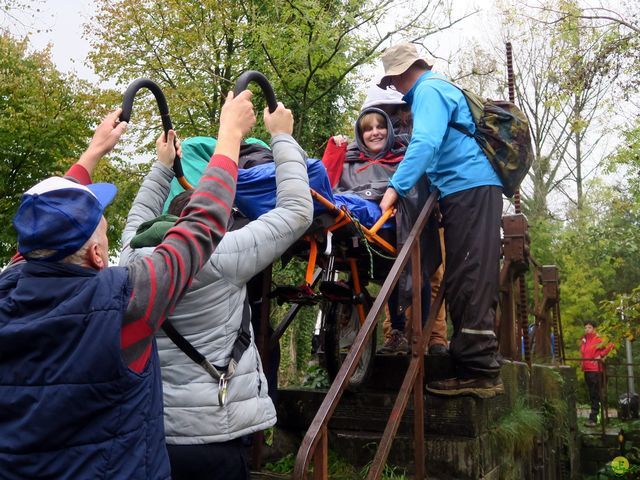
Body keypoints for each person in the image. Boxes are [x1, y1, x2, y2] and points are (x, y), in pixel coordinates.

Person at [0, 91, 255, 479]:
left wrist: (93, 152)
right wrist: (230, 135)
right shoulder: (124, 304)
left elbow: (40, 234)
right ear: (98, 257)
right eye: (101, 226)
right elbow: (201, 226)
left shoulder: (8, 286)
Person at [119, 102, 313, 480]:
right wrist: (282, 136)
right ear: (211, 227)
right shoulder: (222, 255)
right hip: (215, 438)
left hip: (151, 432)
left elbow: (138, 218)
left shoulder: (131, 257)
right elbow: (295, 212)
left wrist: (162, 167)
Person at [377, 42, 504, 398]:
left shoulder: (429, 91)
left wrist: (396, 189)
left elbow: (426, 143)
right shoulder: (437, 89)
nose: (394, 89)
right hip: (464, 189)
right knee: (465, 273)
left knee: (469, 275)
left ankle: (479, 372)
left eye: (392, 82)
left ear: (403, 72)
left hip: (471, 187)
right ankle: (475, 366)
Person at [580, 320, 614, 427]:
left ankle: (594, 420)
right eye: (585, 328)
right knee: (592, 394)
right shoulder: (584, 340)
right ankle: (600, 418)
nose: (587, 330)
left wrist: (601, 355)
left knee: (595, 395)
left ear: (594, 328)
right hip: (587, 370)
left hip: (596, 370)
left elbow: (611, 344)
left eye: (589, 327)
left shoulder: (598, 338)